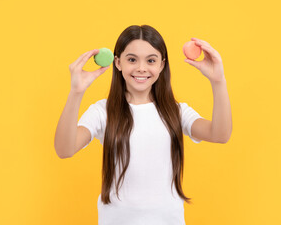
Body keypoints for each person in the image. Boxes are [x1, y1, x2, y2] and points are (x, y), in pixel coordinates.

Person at [54, 25, 232, 225]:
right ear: (118, 63)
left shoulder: (175, 111)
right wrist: (76, 92)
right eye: (132, 59)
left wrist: (218, 81)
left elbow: (220, 134)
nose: (141, 68)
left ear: (162, 65)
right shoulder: (102, 111)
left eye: (151, 60)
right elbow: (64, 149)